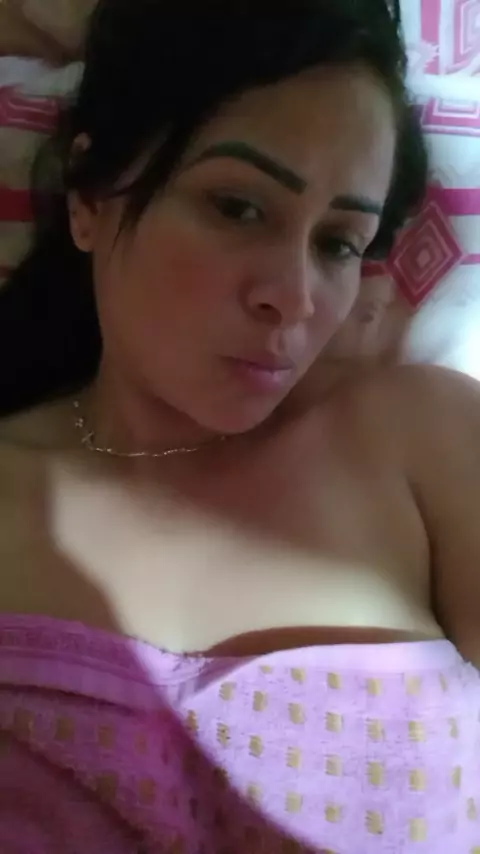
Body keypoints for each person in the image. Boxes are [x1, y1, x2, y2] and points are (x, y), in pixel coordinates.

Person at [0, 0, 479, 851]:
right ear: (90, 199)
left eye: (338, 243)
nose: (293, 298)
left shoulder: (423, 438)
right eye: (238, 207)